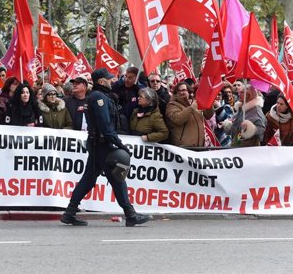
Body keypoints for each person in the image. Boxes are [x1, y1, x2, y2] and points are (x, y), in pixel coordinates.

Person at [61, 68, 150, 227]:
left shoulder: (99, 96)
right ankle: (130, 214)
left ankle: (70, 212)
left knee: (89, 179)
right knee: (118, 178)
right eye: (109, 79)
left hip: (98, 145)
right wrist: (120, 145)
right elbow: (105, 126)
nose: (113, 81)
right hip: (102, 145)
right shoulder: (98, 98)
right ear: (101, 81)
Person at [166, 82, 214, 147]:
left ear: (188, 92)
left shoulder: (194, 103)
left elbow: (208, 115)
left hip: (199, 147)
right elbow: (177, 119)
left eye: (183, 90)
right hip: (183, 147)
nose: (181, 92)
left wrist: (209, 103)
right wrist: (192, 108)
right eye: (178, 91)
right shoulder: (172, 105)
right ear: (175, 93)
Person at [111, 66, 143, 132]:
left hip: (134, 124)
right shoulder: (117, 86)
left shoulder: (141, 90)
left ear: (136, 78)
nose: (127, 79)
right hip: (119, 123)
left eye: (130, 77)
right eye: (126, 76)